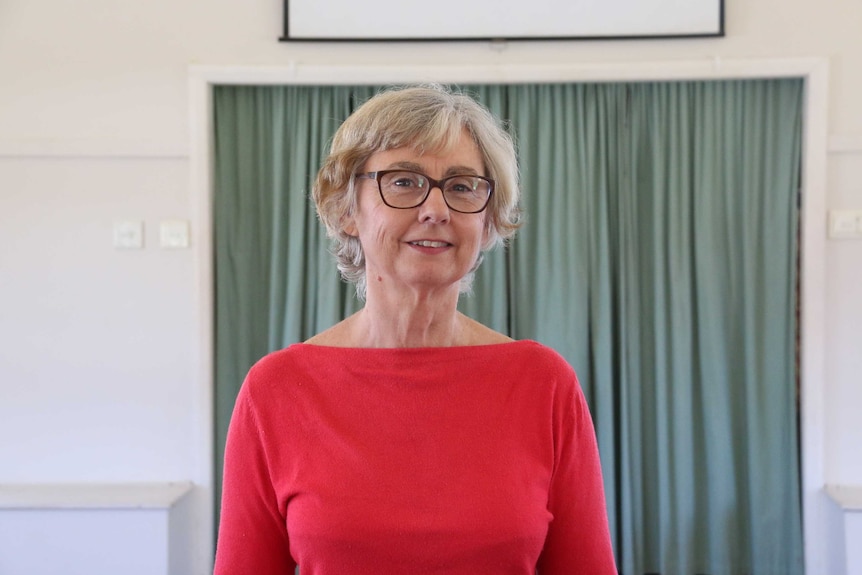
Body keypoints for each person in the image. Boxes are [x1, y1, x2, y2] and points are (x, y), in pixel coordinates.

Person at [213, 84, 617, 574]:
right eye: (404, 182)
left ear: (488, 222)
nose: (436, 209)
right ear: (345, 210)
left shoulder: (544, 383)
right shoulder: (275, 390)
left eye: (463, 186)